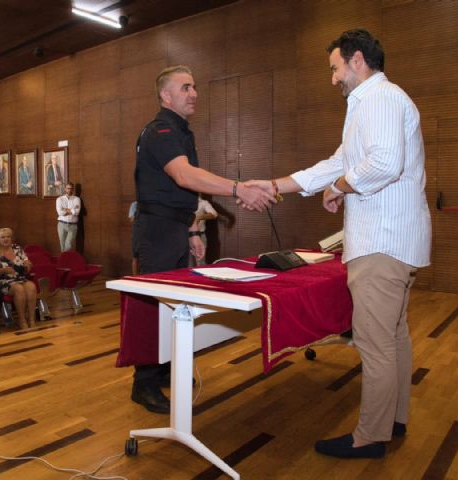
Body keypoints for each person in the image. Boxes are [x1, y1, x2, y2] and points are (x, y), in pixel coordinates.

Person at [252, 30, 431, 458]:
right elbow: (335, 164)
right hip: (395, 242)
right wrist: (275, 185)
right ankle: (394, 419)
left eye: (335, 68)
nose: (332, 78)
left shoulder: (380, 99)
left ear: (357, 61)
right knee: (393, 337)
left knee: (375, 343)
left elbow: (384, 163)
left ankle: (370, 437)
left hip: (381, 242)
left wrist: (340, 187)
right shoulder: (371, 105)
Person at [130, 65, 276, 414]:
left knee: (173, 303)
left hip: (176, 227)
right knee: (153, 306)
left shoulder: (182, 132)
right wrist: (239, 189)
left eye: (194, 86)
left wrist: (194, 229)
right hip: (157, 231)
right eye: (185, 87)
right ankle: (143, 383)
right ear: (166, 95)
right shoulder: (161, 130)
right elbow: (184, 176)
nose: (194, 93)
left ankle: (163, 369)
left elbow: (186, 192)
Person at [0, 228, 37, 329]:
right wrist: (4, 270)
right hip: (3, 280)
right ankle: (22, 320)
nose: (6, 239)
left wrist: (28, 264)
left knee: (31, 286)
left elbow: (26, 261)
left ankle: (32, 320)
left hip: (20, 278)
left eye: (8, 237)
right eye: (3, 237)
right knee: (19, 288)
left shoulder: (17, 248)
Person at [188, 194, 217, 266]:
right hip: (184, 236)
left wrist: (199, 217)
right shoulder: (183, 203)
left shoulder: (203, 203)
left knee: (200, 261)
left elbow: (214, 214)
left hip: (200, 235)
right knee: (187, 263)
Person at [56, 182, 80, 252]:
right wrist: (72, 210)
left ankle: (65, 257)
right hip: (61, 224)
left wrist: (65, 209)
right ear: (65, 189)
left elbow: (77, 212)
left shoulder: (77, 199)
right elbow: (60, 213)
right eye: (68, 188)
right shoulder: (59, 199)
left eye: (71, 188)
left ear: (73, 189)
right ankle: (64, 259)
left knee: (68, 245)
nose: (69, 190)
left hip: (73, 225)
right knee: (62, 245)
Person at [128, 200, 139, 275]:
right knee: (135, 256)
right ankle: (135, 277)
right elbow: (131, 219)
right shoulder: (134, 204)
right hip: (137, 234)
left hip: (148, 235)